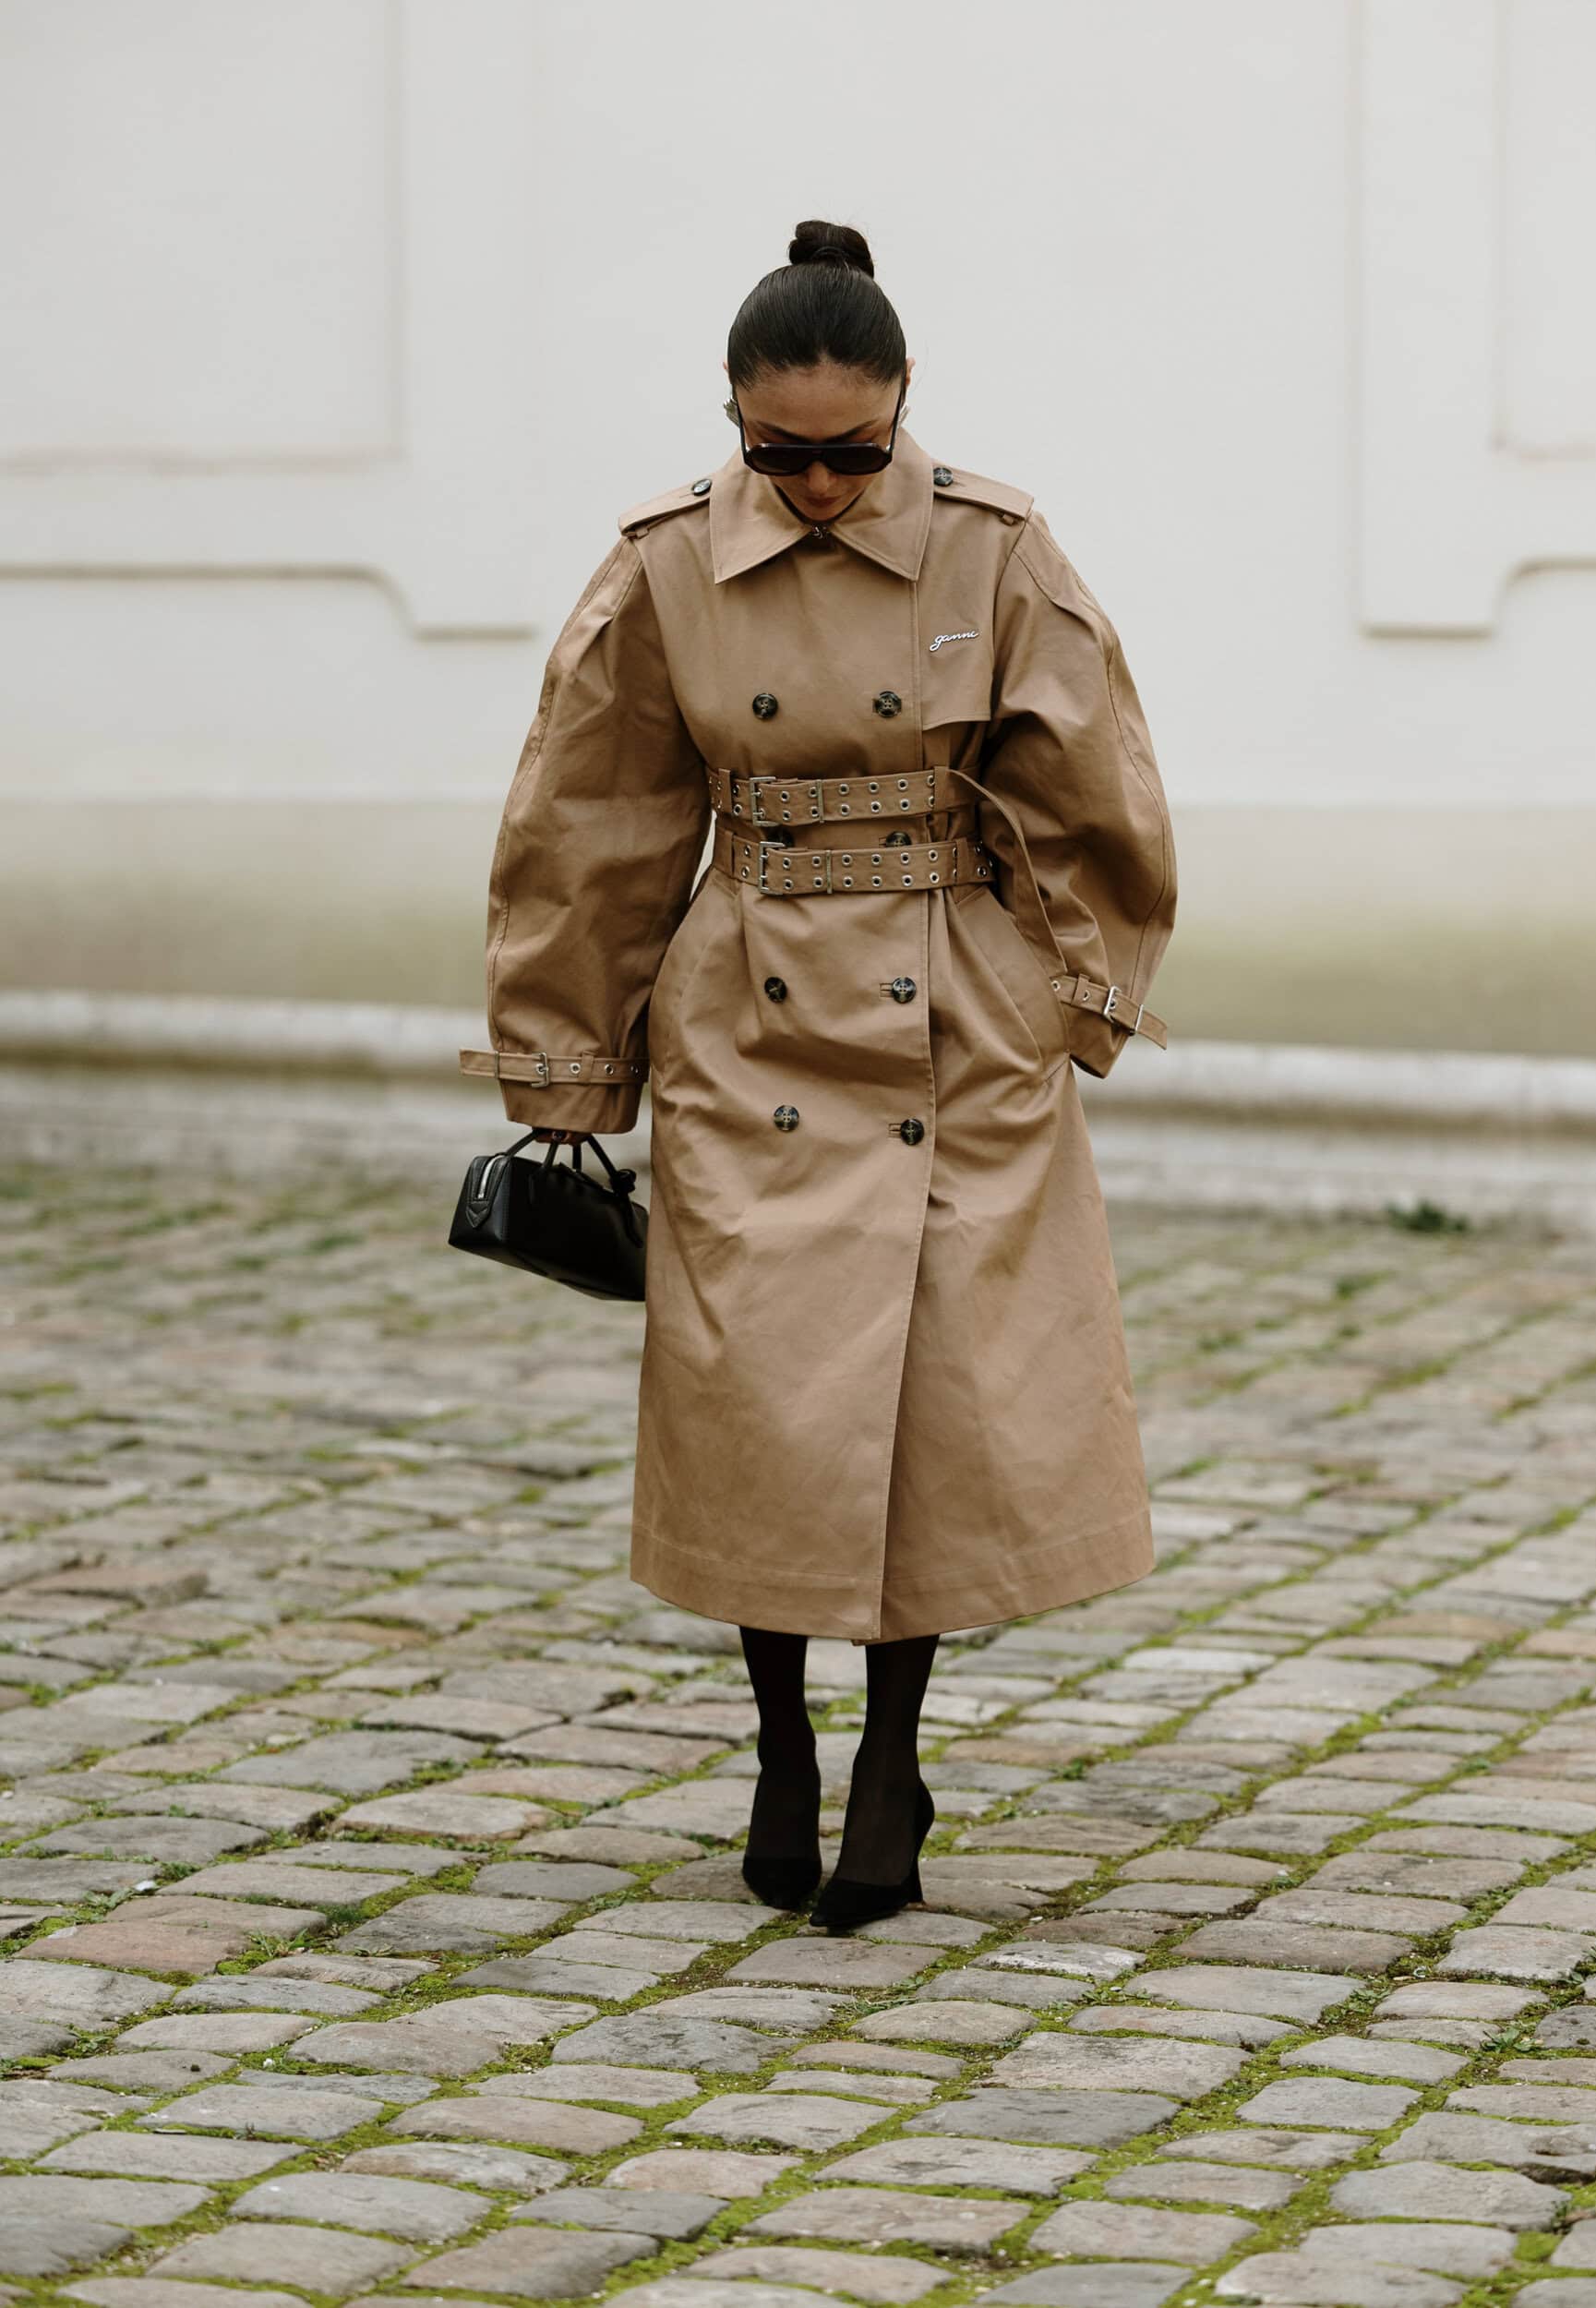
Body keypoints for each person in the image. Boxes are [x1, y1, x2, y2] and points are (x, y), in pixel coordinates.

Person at [460, 219, 1177, 1931]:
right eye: (778, 454)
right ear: (731, 417)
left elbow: (1092, 775)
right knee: (760, 1407)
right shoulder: (662, 568)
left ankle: (889, 1762)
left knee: (930, 1414)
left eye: (853, 454)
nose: (820, 489)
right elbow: (590, 819)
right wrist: (568, 1070)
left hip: (953, 1026)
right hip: (749, 1019)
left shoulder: (999, 549)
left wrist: (1068, 987)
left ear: (903, 407)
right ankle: (780, 1740)